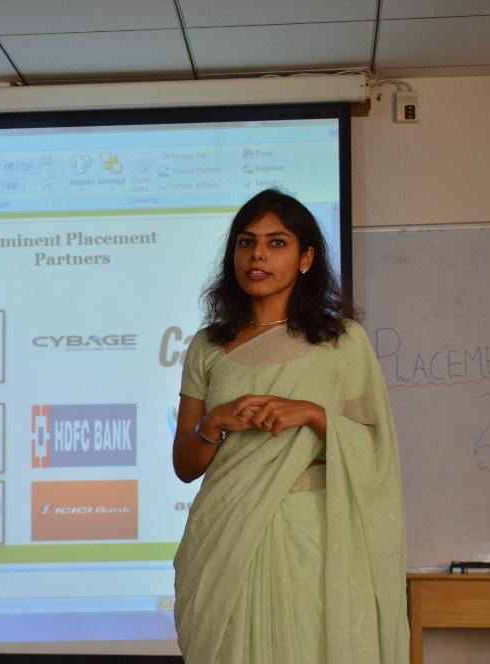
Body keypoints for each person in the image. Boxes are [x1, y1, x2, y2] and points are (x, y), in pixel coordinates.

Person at [172, 189, 409, 663]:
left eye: (276, 242)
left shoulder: (341, 342)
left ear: (305, 259)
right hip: (224, 536)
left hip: (312, 539)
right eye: (246, 242)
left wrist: (313, 415)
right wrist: (216, 421)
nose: (257, 254)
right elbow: (184, 465)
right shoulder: (208, 345)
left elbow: (376, 448)